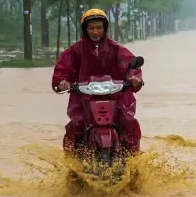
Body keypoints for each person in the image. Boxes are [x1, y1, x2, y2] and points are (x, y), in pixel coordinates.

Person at [51, 8, 144, 156]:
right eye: (91, 28)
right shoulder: (76, 50)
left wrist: (134, 78)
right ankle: (72, 162)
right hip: (83, 98)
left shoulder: (116, 48)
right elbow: (63, 68)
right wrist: (62, 81)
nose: (95, 32)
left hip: (116, 96)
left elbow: (130, 66)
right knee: (76, 127)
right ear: (85, 29)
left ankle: (134, 158)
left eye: (99, 28)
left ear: (105, 28)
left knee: (128, 122)